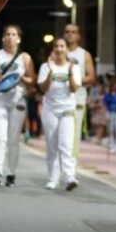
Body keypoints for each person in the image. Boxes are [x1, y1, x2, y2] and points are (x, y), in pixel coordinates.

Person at [0, 25, 36, 187]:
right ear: (3, 38)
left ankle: (11, 173)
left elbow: (32, 80)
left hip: (17, 100)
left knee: (13, 139)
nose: (10, 37)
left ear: (18, 38)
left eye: (14, 34)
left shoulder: (25, 58)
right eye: (7, 34)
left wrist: (20, 77)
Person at [38, 38, 81, 191]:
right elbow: (43, 89)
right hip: (50, 109)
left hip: (67, 109)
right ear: (53, 49)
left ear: (67, 50)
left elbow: (74, 89)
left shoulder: (74, 67)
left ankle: (70, 177)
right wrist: (50, 72)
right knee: (52, 146)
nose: (59, 49)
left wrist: (70, 74)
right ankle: (53, 179)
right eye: (56, 46)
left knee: (66, 145)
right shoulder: (45, 67)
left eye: (62, 46)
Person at [63, 24, 95, 154]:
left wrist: (74, 80)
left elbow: (91, 77)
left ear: (78, 36)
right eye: (67, 32)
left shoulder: (84, 54)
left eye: (73, 32)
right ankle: (60, 162)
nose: (70, 34)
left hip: (78, 98)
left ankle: (72, 163)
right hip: (60, 98)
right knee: (61, 133)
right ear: (64, 34)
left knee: (74, 133)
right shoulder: (58, 52)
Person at [102, 76, 116, 153]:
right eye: (113, 86)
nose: (115, 87)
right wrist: (106, 113)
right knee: (111, 130)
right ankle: (112, 145)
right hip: (110, 112)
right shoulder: (108, 95)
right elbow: (105, 104)